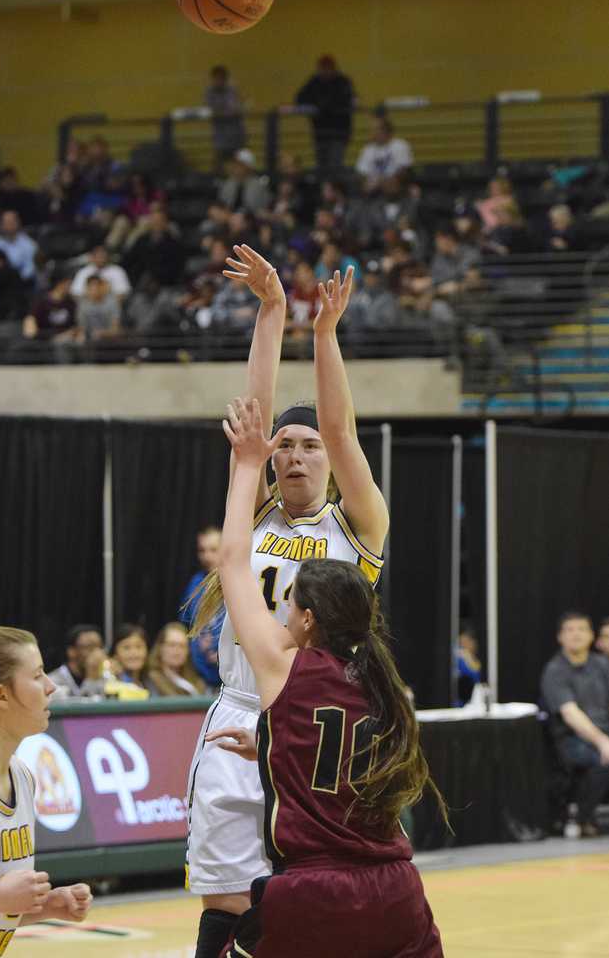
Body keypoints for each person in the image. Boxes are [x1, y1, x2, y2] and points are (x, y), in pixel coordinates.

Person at [186, 252, 389, 958]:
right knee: (226, 897)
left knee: (300, 895)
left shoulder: (355, 528)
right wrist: (270, 312)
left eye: (308, 447)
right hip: (240, 707)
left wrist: (324, 333)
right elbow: (253, 417)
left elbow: (341, 431)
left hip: (312, 718)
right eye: (284, 447)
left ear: (329, 464)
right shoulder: (256, 514)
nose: (295, 455)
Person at [204, 397, 443, 958]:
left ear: (305, 618)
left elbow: (233, 561)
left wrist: (244, 465)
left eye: (290, 606)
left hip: (315, 890)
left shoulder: (283, 674)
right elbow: (325, 752)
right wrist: (268, 745)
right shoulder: (382, 689)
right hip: (398, 890)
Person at [0, 626, 92, 953]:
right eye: (38, 675)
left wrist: (47, 907)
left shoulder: (23, 777)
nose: (51, 686)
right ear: (0, 695)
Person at [541, 612, 609, 837]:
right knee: (602, 760)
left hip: (604, 732)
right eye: (569, 630)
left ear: (592, 636)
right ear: (560, 637)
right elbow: (570, 714)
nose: (576, 634)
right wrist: (602, 741)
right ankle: (581, 818)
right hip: (572, 738)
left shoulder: (601, 665)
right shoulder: (555, 671)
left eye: (581, 629)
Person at [179, 527, 225, 692]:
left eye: (213, 550)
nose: (206, 556)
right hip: (199, 675)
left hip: (231, 678)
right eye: (202, 550)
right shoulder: (195, 583)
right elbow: (185, 623)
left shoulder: (238, 582)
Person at [295, 56, 355, 177]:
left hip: (339, 132)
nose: (325, 72)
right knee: (321, 166)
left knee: (335, 165)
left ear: (333, 69)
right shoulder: (314, 82)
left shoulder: (342, 82)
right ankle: (324, 192)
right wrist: (314, 107)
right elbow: (299, 98)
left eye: (328, 69)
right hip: (320, 133)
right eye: (322, 69)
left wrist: (319, 106)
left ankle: (336, 191)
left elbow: (344, 100)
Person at [48, 624, 106, 698]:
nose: (97, 654)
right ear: (71, 651)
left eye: (100, 647)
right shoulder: (53, 681)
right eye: (89, 647)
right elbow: (82, 708)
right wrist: (91, 679)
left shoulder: (104, 677)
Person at [148, 623, 206, 697]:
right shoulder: (150, 680)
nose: (177, 651)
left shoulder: (196, 681)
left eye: (182, 646)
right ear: (160, 648)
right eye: (172, 645)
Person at [205, 66, 247, 168]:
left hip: (236, 134)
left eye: (221, 78)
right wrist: (224, 112)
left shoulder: (231, 90)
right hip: (221, 137)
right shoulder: (209, 92)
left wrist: (224, 112)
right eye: (216, 78)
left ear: (225, 79)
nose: (218, 81)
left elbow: (235, 109)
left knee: (240, 163)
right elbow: (211, 111)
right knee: (219, 164)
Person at [356, 117, 414, 190]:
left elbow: (404, 170)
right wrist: (367, 182)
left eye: (376, 130)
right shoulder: (368, 149)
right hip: (373, 185)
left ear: (386, 131)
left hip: (395, 184)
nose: (373, 133)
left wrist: (388, 181)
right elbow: (361, 172)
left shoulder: (400, 145)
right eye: (373, 130)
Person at [0, 211, 39, 284]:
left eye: (11, 222)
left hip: (19, 285)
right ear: (0, 225)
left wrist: (16, 281)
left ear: (18, 223)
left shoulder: (29, 245)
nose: (8, 225)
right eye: (5, 222)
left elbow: (30, 269)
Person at [110, 624, 157, 694]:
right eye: (126, 648)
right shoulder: (109, 682)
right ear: (115, 654)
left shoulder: (152, 681)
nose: (133, 653)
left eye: (139, 647)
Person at [456, 627, 483, 706]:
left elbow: (476, 676)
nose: (463, 646)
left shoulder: (473, 658)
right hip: (460, 701)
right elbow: (471, 673)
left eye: (465, 642)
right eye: (461, 643)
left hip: (472, 700)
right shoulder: (460, 657)